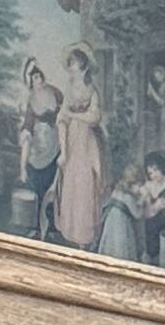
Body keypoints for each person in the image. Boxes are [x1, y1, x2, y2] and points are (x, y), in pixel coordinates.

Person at [49, 42, 105, 250]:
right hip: (72, 140)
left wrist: (74, 115)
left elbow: (95, 117)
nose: (71, 68)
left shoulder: (92, 89)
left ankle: (85, 237)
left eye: (73, 64)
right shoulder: (70, 89)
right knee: (71, 185)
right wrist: (63, 151)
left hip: (88, 141)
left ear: (83, 66)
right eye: (70, 64)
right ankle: (72, 234)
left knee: (86, 184)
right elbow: (61, 119)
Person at [14, 55, 62, 234]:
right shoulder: (31, 101)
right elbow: (28, 125)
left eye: (39, 76)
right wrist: (26, 138)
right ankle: (36, 224)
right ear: (30, 82)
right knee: (39, 187)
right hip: (38, 147)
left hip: (55, 144)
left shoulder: (55, 93)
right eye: (34, 78)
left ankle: (52, 224)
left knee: (54, 185)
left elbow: (64, 115)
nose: (39, 80)